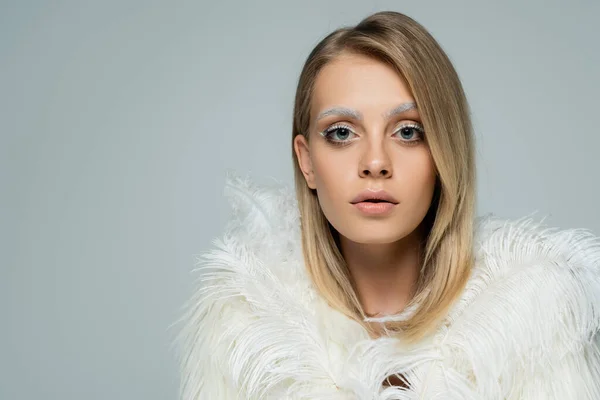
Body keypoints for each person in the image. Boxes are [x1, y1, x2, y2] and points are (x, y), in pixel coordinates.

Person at [174, 11, 600, 399]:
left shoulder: (535, 321)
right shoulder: (242, 329)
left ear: (443, 155)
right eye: (342, 133)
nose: (375, 163)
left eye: (408, 132)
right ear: (306, 162)